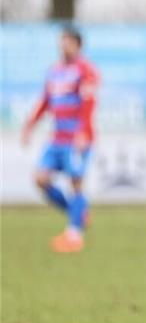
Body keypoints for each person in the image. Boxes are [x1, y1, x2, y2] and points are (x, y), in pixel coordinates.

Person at [20, 27, 100, 254]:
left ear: (77, 44)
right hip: (56, 138)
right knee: (40, 179)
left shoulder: (86, 71)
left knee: (76, 183)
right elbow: (45, 102)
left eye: (66, 41)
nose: (62, 45)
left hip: (76, 138)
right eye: (61, 41)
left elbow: (89, 103)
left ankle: (74, 236)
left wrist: (83, 132)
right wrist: (29, 126)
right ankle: (78, 213)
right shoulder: (54, 71)